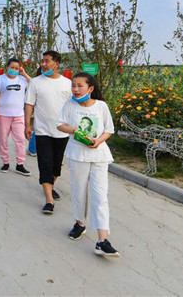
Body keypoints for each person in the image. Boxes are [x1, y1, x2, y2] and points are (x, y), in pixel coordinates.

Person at [57, 72, 120, 257]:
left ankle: (102, 240)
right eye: (73, 86)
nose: (75, 90)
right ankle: (80, 223)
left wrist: (99, 141)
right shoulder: (69, 105)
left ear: (90, 89)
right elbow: (60, 124)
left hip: (99, 155)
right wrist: (74, 130)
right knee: (79, 192)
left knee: (100, 196)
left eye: (80, 86)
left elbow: (109, 129)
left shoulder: (101, 106)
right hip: (77, 155)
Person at [24, 51, 72, 214]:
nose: (43, 64)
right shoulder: (36, 82)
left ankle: (50, 185)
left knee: (56, 165)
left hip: (63, 132)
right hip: (42, 130)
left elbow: (73, 106)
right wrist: (27, 125)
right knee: (45, 163)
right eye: (42, 61)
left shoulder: (67, 83)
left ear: (56, 64)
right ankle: (49, 200)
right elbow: (29, 104)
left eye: (47, 61)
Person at [0, 58, 32, 175]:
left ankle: (20, 164)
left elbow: (34, 84)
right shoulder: (0, 79)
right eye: (12, 68)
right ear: (7, 67)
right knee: (3, 140)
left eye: (17, 68)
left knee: (20, 140)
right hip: (3, 115)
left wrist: (24, 73)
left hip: (18, 115)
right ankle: (5, 162)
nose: (14, 70)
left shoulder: (22, 80)